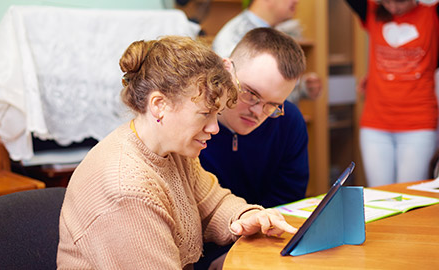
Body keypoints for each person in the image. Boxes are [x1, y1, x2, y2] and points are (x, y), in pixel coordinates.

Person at [56, 35, 298, 270]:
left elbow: (213, 204)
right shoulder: (127, 189)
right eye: (205, 114)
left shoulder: (173, 151)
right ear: (159, 105)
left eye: (217, 114)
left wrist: (246, 216)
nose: (214, 128)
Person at [196, 28, 307, 269]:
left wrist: (250, 251)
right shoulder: (191, 123)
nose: (257, 112)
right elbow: (187, 215)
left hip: (263, 247)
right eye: (250, 94)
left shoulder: (289, 121)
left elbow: (287, 203)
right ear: (226, 69)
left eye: (273, 105)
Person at [344, 0, 439, 186]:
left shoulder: (431, 15)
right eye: (387, 2)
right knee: (380, 194)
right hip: (375, 124)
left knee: (410, 196)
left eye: (399, 3)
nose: (393, 8)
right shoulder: (372, 11)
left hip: (418, 124)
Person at [212, 0, 322, 104]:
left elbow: (269, 94)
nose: (296, 1)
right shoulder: (234, 36)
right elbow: (234, 98)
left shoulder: (276, 32)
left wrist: (301, 88)